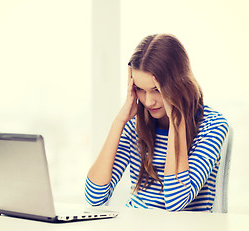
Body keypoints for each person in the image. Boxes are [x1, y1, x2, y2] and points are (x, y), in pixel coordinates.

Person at [85, 34, 229, 211]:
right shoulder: (134, 128)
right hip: (136, 228)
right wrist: (119, 121)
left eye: (156, 90)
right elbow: (94, 196)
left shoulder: (212, 126)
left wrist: (177, 120)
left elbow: (176, 201)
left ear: (179, 84)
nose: (148, 101)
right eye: (140, 89)